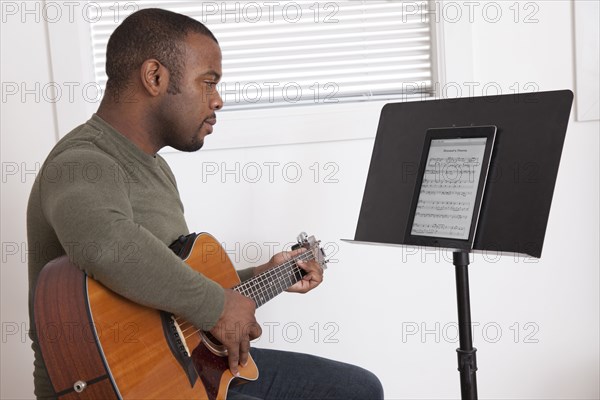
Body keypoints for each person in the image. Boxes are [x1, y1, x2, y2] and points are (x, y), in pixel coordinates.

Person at [27, 8, 384, 400]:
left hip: (180, 373)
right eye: (208, 82)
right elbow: (109, 245)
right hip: (124, 387)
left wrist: (262, 275)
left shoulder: (155, 167)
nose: (218, 100)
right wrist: (219, 305)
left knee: (357, 389)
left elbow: (169, 299)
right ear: (155, 77)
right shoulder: (83, 161)